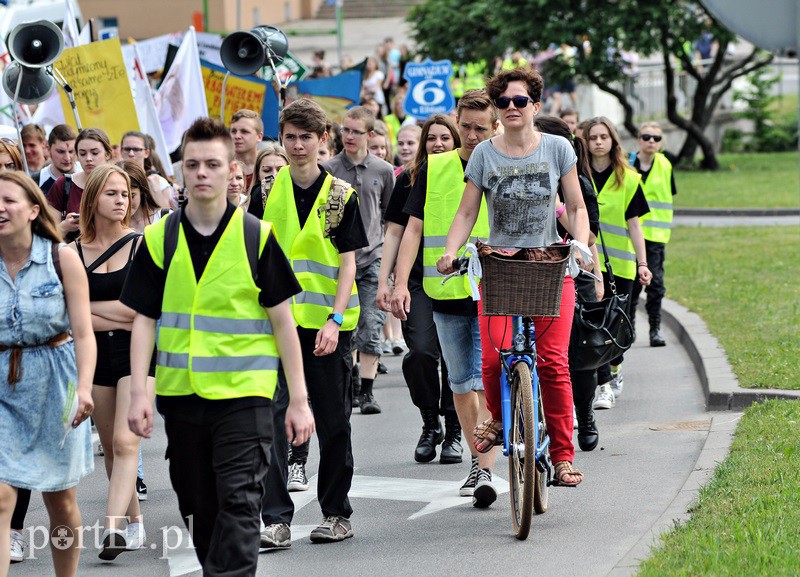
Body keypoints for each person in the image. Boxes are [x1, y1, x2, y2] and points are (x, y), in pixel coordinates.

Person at [124, 117, 314, 575]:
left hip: (245, 398)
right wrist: (139, 394)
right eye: (193, 164)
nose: (202, 173)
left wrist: (299, 401)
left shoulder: (256, 237)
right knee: (199, 508)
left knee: (240, 504)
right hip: (181, 398)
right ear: (181, 172)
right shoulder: (158, 239)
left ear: (234, 171)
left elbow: (284, 323)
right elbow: (144, 319)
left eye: (213, 164)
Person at [437, 68, 592, 488]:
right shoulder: (486, 154)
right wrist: (450, 251)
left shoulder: (558, 148)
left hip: (548, 265)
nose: (511, 108)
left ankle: (561, 456)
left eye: (519, 101)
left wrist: (582, 247)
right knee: (492, 358)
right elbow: (468, 211)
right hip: (501, 266)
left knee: (555, 364)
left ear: (535, 107)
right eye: (503, 102)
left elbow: (575, 208)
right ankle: (501, 420)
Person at [259, 98, 366, 548]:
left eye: (307, 137)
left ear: (324, 141)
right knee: (272, 419)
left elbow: (347, 264)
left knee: (332, 420)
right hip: (277, 326)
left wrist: (335, 319)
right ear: (281, 140)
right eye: (291, 137)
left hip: (327, 326)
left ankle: (336, 513)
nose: (298, 145)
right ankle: (276, 519)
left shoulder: (342, 195)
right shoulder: (266, 190)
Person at [392, 92, 506, 504]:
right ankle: (481, 455)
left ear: (495, 126)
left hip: (493, 290)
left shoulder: (502, 161)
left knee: (483, 379)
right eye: (467, 126)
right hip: (444, 291)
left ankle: (484, 465)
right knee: (460, 383)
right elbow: (415, 229)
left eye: (481, 127)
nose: (472, 135)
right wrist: (401, 282)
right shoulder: (434, 167)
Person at [0, 171, 95, 577]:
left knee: (61, 502)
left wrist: (86, 388)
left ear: (34, 210)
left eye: (8, 200)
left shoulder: (61, 257)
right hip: (3, 385)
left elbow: (84, 332)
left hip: (56, 384)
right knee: (2, 496)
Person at [67, 165, 151, 559]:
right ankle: (134, 524)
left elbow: (144, 314)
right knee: (112, 449)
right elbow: (69, 314)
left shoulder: (141, 245)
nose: (122, 201)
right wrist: (112, 312)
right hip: (94, 354)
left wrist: (89, 311)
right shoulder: (72, 253)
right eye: (112, 194)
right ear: (93, 199)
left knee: (124, 440)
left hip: (138, 352)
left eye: (126, 194)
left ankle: (110, 528)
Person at [377, 114, 459, 464]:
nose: (438, 144)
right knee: (422, 353)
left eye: (445, 137)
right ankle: (431, 422)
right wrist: (388, 281)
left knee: (457, 362)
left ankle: (455, 430)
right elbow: (396, 232)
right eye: (432, 138)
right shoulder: (409, 178)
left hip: (461, 280)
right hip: (418, 282)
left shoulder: (470, 174)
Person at [534, 115, 602, 452]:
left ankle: (585, 413)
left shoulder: (579, 184)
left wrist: (560, 210)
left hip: (574, 273)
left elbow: (590, 235)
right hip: (533, 273)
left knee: (578, 354)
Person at [324, 106, 394, 414]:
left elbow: (391, 219)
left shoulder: (382, 170)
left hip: (372, 256)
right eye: (345, 130)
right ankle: (351, 382)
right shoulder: (328, 169)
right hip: (339, 259)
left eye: (356, 131)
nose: (349, 136)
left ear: (370, 134)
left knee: (370, 320)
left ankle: (367, 390)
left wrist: (389, 265)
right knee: (346, 325)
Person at [584, 116, 652, 411]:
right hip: (586, 266)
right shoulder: (576, 175)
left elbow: (634, 225)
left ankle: (614, 371)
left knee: (616, 328)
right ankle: (603, 386)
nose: (598, 142)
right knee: (593, 328)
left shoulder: (629, 178)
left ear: (613, 141)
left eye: (603, 137)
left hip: (620, 270)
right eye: (592, 137)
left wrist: (643, 263)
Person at [629, 121, 676, 348]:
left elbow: (669, 196)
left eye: (656, 138)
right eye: (646, 137)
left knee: (656, 284)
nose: (651, 142)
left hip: (656, 236)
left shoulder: (665, 165)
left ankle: (655, 329)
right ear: (639, 139)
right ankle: (629, 328)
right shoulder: (627, 163)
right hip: (629, 235)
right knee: (632, 285)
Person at [46, 128, 113, 242]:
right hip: (75, 255)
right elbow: (47, 234)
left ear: (107, 154)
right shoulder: (63, 184)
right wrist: (65, 226)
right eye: (82, 153)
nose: (88, 159)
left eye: (95, 153)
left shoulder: (119, 183)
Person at [120, 131, 173, 209]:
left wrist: (156, 192)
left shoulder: (159, 183)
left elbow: (167, 215)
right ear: (121, 151)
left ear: (147, 153)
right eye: (127, 149)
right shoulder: (113, 181)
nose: (131, 153)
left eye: (136, 149)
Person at [122, 161, 168, 233]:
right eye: (123, 196)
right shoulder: (112, 226)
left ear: (141, 190)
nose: (127, 202)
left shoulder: (163, 216)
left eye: (132, 196)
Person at [32, 124, 80, 194]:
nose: (67, 158)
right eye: (61, 152)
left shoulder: (88, 174)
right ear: (48, 148)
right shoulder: (37, 181)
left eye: (71, 151)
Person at [246, 144, 289, 220]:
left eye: (280, 170)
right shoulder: (249, 202)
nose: (274, 174)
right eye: (267, 170)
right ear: (258, 174)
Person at [230, 109, 264, 191]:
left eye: (244, 131)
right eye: (233, 131)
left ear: (259, 136)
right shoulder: (222, 165)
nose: (237, 136)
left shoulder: (268, 164)